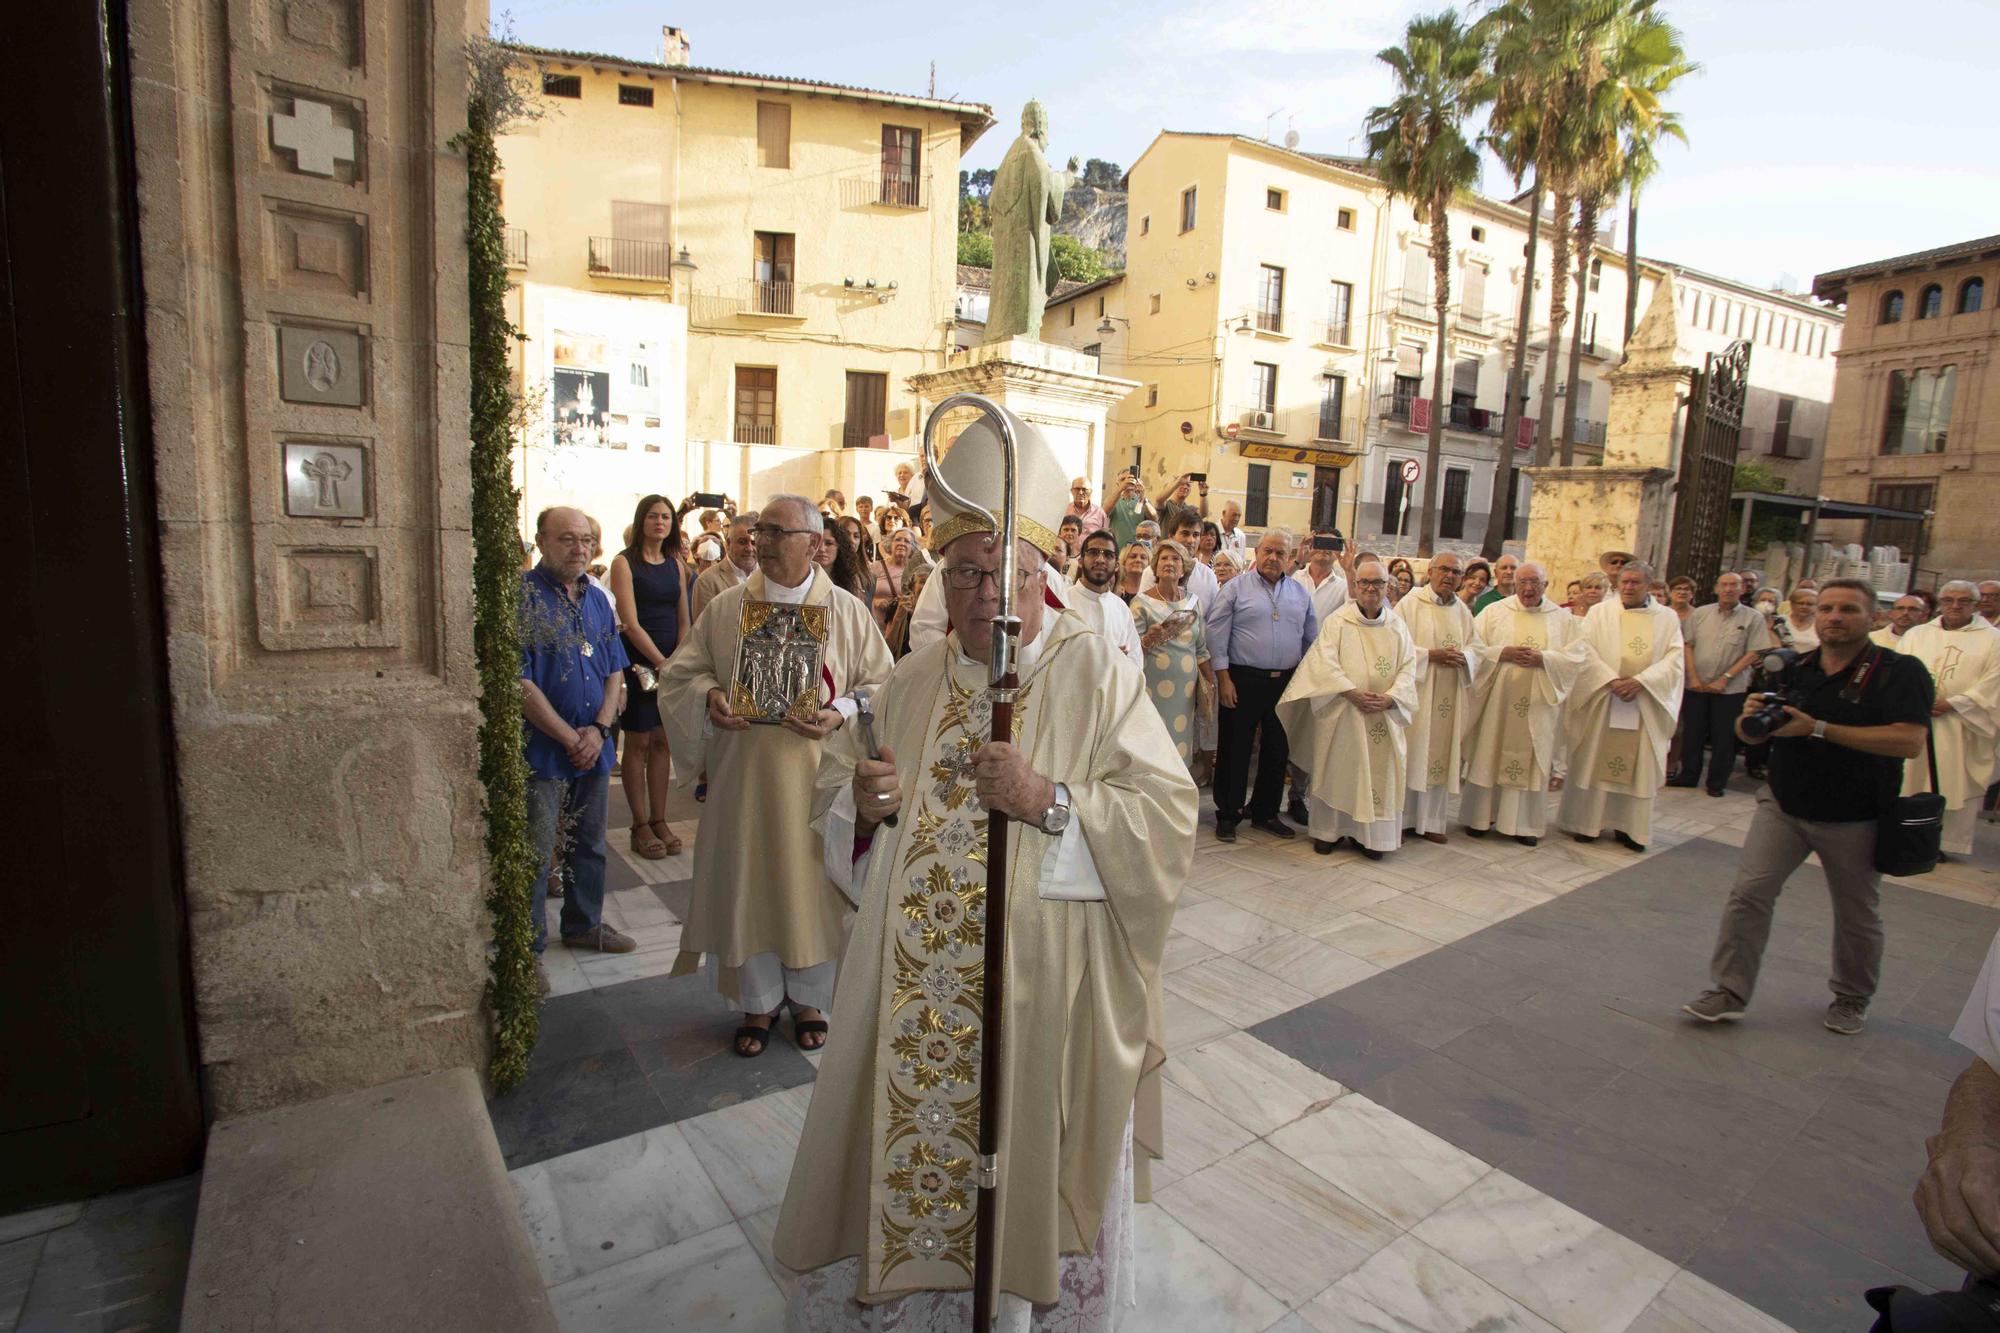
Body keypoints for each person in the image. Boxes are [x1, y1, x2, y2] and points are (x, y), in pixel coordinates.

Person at [774, 404, 1195, 1328]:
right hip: (913, 993)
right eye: (963, 572)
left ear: (1041, 578)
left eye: (1003, 571)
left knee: (1014, 1156)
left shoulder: (1093, 670)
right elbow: (846, 802)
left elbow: (1167, 817)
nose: (980, 593)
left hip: (1038, 993)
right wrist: (864, 810)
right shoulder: (914, 676)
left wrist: (1048, 797)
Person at [658, 495, 894, 1056]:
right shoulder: (727, 607)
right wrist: (711, 695)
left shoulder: (848, 611)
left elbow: (885, 685)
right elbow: (680, 675)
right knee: (752, 883)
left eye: (775, 532)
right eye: (758, 530)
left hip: (820, 779)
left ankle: (811, 1000)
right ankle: (757, 1003)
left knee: (812, 890)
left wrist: (842, 711)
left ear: (814, 544)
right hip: (745, 779)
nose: (760, 541)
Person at [1683, 579, 1933, 1035]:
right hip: (1784, 805)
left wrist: (1818, 728)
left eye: (1848, 610)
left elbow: (1910, 741)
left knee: (1856, 911)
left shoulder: (1899, 670)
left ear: (1873, 617)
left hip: (1856, 814)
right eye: (1827, 609)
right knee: (1748, 895)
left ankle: (1852, 996)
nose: (1835, 617)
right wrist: (1752, 717)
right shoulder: (1793, 667)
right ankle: (1729, 990)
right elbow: (1750, 733)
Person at [518, 507, 638, 971]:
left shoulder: (597, 597)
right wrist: (571, 736)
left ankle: (583, 922)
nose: (580, 548)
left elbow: (613, 667)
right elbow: (520, 681)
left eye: (587, 539)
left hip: (594, 743)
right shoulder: (522, 597)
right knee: (535, 848)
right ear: (542, 541)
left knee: (588, 841)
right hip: (544, 747)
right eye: (567, 539)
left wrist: (601, 729)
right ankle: (527, 947)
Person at [1277, 559, 1419, 860]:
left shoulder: (1397, 626)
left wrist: (1391, 697)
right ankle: (1328, 832)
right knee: (1338, 771)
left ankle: (1372, 839)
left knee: (1376, 777)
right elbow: (1322, 662)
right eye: (1365, 583)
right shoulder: (1338, 622)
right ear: (1355, 586)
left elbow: (1409, 668)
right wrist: (1351, 692)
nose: (1370, 588)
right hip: (1343, 712)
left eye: (1378, 583)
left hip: (1383, 715)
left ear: (1387, 588)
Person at [1559, 562, 1686, 852]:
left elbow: (1675, 659)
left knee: (1638, 765)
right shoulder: (1601, 612)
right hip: (1605, 697)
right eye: (1625, 582)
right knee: (1595, 757)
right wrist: (1610, 680)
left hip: (1644, 702)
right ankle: (1587, 824)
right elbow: (1584, 650)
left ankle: (1630, 829)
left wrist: (1642, 681)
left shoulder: (1667, 618)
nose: (1628, 587)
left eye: (1636, 582)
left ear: (1649, 585)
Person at [1463, 561, 1586, 846]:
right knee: (1490, 752)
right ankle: (1482, 818)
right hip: (1498, 704)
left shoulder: (1563, 619)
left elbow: (1577, 657)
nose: (1528, 588)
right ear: (1513, 584)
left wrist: (1544, 659)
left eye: (1535, 582)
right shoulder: (1495, 612)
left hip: (1539, 705)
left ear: (1546, 584)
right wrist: (1502, 653)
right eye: (1523, 583)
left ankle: (1525, 825)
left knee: (1532, 760)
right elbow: (1474, 647)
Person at [1210, 530, 1319, 843]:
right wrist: (1224, 677)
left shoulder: (1300, 594)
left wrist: (1306, 680)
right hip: (1241, 678)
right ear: (1256, 553)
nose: (1273, 558)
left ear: (1289, 557)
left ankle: (1265, 812)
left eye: (1280, 553)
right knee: (1235, 747)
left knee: (1277, 748)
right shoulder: (1234, 588)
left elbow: (1311, 639)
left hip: (1285, 682)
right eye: (1268, 551)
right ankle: (1229, 814)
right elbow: (1216, 633)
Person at [609, 493, 696, 859]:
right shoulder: (623, 563)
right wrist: (661, 661)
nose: (660, 522)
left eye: (666, 517)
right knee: (638, 742)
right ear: (641, 520)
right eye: (653, 516)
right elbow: (628, 622)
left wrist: (676, 660)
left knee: (663, 742)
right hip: (639, 660)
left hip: (670, 662)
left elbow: (684, 619)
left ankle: (660, 819)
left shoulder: (676, 564)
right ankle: (640, 825)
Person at [1899, 582, 2000, 858]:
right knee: (1908, 778)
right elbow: (1900, 671)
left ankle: (1941, 844)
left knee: (1951, 782)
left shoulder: (1994, 639)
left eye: (1964, 601)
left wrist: (1954, 703)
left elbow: (1994, 683)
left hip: (1962, 725)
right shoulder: (1917, 634)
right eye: (1949, 600)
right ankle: (1904, 834)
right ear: (1939, 602)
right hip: (1916, 719)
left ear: (1975, 604)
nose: (1955, 606)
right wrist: (1913, 700)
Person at [1669, 572, 1775, 798]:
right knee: (1692, 733)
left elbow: (1754, 651)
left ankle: (1716, 783)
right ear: (1716, 588)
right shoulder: (1700, 614)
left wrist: (1725, 678)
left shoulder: (1752, 618)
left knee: (1724, 737)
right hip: (1697, 685)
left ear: (1742, 590)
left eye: (1733, 586)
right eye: (1724, 585)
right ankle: (1688, 775)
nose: (1728, 589)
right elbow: (1687, 645)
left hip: (1730, 688)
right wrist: (1694, 677)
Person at [1395, 552, 1478, 844]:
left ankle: (1430, 821)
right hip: (1419, 691)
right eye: (1444, 569)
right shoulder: (1411, 603)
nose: (1449, 576)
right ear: (1430, 571)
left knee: (1438, 758)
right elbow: (1396, 643)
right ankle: (1402, 821)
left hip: (1448, 694)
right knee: (1413, 752)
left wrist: (1465, 657)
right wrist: (1430, 655)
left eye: (1456, 572)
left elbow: (1475, 646)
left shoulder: (1462, 611)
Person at [1134, 540, 1214, 767]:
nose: (1169, 562)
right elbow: (1130, 650)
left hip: (1185, 693)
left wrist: (1210, 683)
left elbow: (1200, 649)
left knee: (1179, 748)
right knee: (1153, 748)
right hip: (1151, 691)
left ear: (1184, 569)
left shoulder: (1194, 602)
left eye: (1175, 559)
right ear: (1156, 567)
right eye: (1164, 559)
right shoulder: (1141, 603)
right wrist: (1148, 639)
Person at [1066, 528, 1144, 668]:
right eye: (1093, 553)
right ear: (1080, 560)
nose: (1100, 560)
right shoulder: (1064, 602)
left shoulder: (1121, 609)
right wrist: (1104, 657)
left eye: (1108, 555)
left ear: (1116, 566)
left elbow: (1135, 660)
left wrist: (1120, 662)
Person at [1140, 509, 1220, 617]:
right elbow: (1143, 612)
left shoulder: (1208, 576)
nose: (1191, 540)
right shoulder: (1151, 572)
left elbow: (1214, 617)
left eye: (1196, 535)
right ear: (1171, 536)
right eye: (1185, 534)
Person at [690, 513, 756, 623]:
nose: (749, 548)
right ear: (729, 543)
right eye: (742, 542)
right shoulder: (707, 581)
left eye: (754, 542)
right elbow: (703, 630)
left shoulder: (769, 577)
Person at [1292, 535, 1349, 624]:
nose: (1325, 549)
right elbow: (1273, 584)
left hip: (1326, 637)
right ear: (1310, 547)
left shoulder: (1344, 586)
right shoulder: (1293, 578)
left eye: (1330, 544)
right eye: (1320, 543)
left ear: (1338, 551)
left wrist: (1349, 570)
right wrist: (1297, 562)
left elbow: (1356, 606)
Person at [871, 527, 920, 629]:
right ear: (890, 544)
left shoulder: (916, 571)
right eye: (898, 539)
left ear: (912, 548)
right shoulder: (875, 567)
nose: (902, 543)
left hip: (903, 632)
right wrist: (875, 601)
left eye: (907, 541)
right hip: (876, 627)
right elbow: (862, 595)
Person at [883, 558, 930, 661]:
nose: (927, 586)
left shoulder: (937, 611)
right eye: (922, 581)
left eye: (930, 583)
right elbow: (887, 648)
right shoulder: (898, 605)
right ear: (912, 586)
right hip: (902, 667)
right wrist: (898, 618)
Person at [1106, 471, 1153, 549]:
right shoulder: (1113, 500)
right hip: (1119, 550)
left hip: (1140, 551)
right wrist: (1121, 489)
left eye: (1131, 479)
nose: (1127, 482)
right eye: (1123, 479)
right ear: (1117, 484)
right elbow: (1103, 513)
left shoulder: (1143, 500)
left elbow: (1154, 519)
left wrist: (1143, 499)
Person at [1783, 586, 1821, 652]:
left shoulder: (1820, 625)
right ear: (1792, 604)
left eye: (1809, 604)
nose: (1804, 607)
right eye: (1800, 603)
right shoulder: (1780, 621)